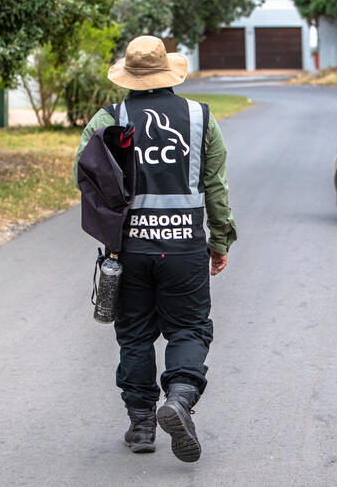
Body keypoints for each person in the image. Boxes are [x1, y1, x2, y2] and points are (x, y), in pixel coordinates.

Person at [74, 35, 237, 462]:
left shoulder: (108, 117)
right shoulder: (201, 118)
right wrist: (219, 241)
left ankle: (142, 424)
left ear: (128, 74)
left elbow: (85, 174)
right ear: (168, 71)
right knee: (189, 329)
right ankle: (180, 400)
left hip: (129, 250)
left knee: (134, 335)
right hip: (184, 247)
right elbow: (215, 186)